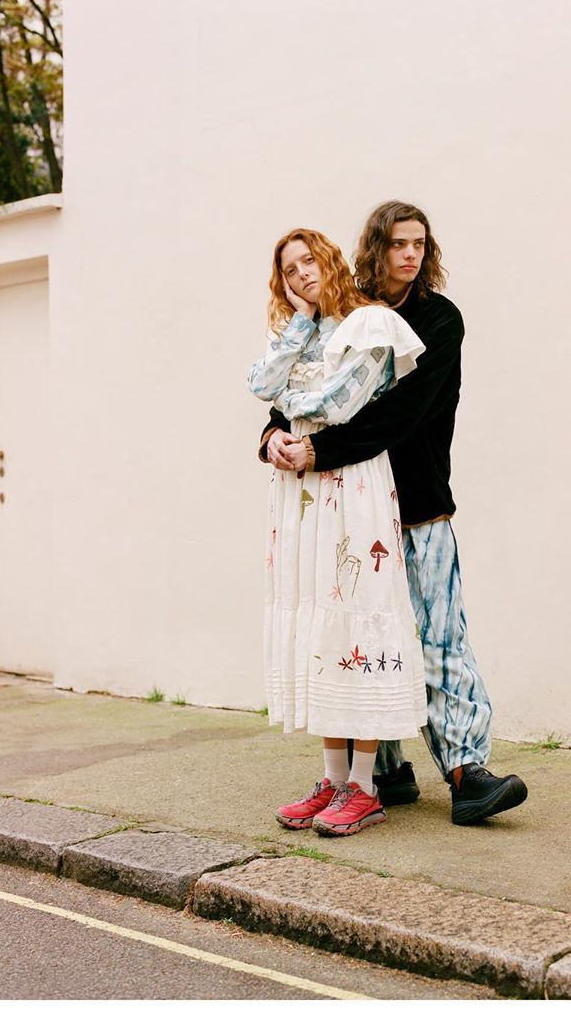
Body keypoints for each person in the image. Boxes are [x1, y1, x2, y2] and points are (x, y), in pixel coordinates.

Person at [258, 201, 528, 825]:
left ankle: (466, 772)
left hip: (417, 508)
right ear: (374, 249)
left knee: (437, 638)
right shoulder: (347, 312)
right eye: (397, 244)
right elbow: (306, 391)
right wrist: (273, 437)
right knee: (356, 630)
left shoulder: (437, 320)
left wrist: (318, 450)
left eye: (419, 244)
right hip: (346, 510)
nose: (409, 254)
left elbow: (399, 414)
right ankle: (383, 772)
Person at [248, 228, 428, 837]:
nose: (301, 275)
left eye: (308, 262)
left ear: (328, 259)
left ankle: (367, 787)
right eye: (289, 270)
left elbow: (340, 402)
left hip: (351, 483)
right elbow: (261, 388)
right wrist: (276, 428)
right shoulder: (302, 331)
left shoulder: (371, 323)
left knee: (359, 610)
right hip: (302, 492)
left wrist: (289, 415)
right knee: (322, 616)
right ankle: (333, 780)